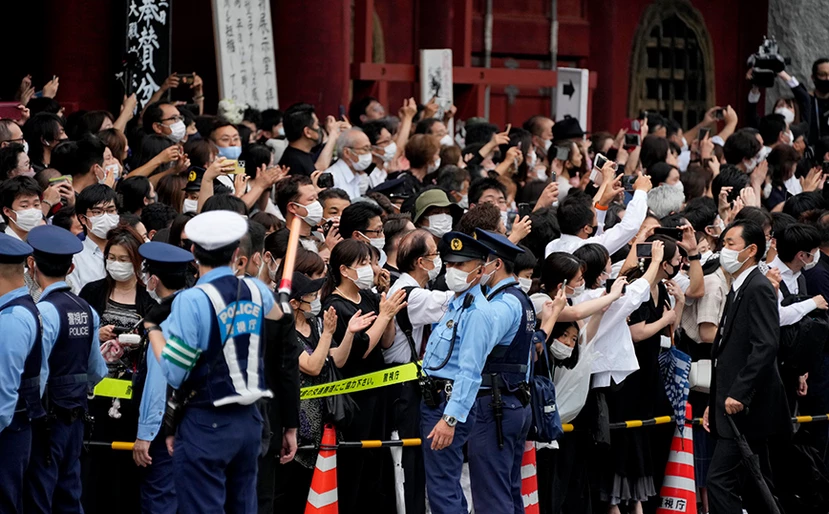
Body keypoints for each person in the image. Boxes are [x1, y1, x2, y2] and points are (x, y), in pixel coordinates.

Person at [143, 210, 286, 513]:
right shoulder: (256, 290)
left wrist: (153, 330)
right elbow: (277, 313)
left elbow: (174, 372)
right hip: (249, 422)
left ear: (194, 252)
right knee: (243, 506)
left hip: (207, 420)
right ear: (237, 254)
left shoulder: (192, 299)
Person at [704, 219, 792, 513]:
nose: (724, 251)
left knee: (719, 481)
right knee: (755, 483)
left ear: (751, 250)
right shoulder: (738, 287)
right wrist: (714, 401)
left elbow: (765, 345)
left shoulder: (757, 287)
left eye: (730, 244)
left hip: (746, 408)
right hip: (732, 404)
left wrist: (740, 393)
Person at [22, 225, 107, 513]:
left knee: (39, 494)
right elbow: (98, 371)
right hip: (77, 415)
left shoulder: (43, 312)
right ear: (71, 267)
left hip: (47, 419)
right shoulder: (86, 308)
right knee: (70, 493)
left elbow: (39, 371)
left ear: (32, 264)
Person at [320, 239, 406, 513]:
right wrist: (384, 315)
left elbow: (385, 342)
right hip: (353, 397)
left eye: (371, 262)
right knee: (354, 464)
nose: (371, 268)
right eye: (364, 264)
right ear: (344, 270)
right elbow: (363, 349)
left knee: (376, 463)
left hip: (377, 393)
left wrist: (388, 315)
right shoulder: (335, 304)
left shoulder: (367, 296)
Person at [420, 231, 496, 514]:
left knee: (442, 486)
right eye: (450, 264)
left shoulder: (476, 312)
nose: (452, 271)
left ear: (480, 270)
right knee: (444, 484)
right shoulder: (456, 303)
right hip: (437, 399)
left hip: (447, 404)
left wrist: (449, 419)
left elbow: (470, 372)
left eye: (461, 266)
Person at [465, 229, 535, 513]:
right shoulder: (519, 298)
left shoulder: (501, 304)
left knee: (491, 496)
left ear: (495, 264)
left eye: (478, 263)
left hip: (495, 405)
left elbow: (477, 347)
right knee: (508, 490)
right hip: (513, 400)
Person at [384, 229, 453, 514]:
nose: (439, 261)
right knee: (408, 459)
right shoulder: (410, 296)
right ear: (421, 261)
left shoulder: (413, 290)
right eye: (435, 255)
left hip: (410, 384)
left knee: (415, 458)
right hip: (401, 385)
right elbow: (451, 303)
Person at [132, 241, 195, 514]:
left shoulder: (165, 320)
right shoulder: (196, 309)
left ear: (154, 280)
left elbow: (160, 381)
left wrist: (146, 433)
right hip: (197, 421)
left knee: (160, 498)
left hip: (167, 426)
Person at [0, 234, 44, 513]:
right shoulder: (28, 308)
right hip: (18, 424)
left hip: (8, 430)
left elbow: (3, 392)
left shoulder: (12, 319)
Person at [545, 172, 651, 257]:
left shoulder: (552, 246)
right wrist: (641, 191)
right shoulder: (586, 249)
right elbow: (629, 227)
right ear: (587, 229)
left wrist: (603, 203)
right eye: (595, 213)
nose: (596, 212)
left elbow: (595, 236)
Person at [69, 185, 120, 293]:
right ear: (82, 218)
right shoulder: (75, 257)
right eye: (97, 212)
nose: (105, 216)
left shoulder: (129, 250)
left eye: (111, 211)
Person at [328, 128, 376, 200]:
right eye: (365, 149)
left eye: (370, 149)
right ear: (347, 152)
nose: (369, 153)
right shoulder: (333, 178)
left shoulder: (356, 175)